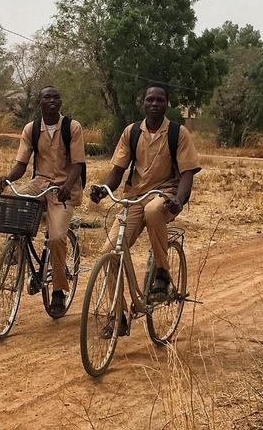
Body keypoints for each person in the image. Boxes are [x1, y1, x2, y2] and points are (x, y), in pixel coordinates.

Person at [90, 84, 201, 336]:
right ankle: (118, 317)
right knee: (109, 252)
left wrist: (179, 200)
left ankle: (162, 271)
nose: (154, 104)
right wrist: (102, 188)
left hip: (167, 194)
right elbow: (117, 171)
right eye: (150, 99)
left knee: (153, 211)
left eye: (159, 100)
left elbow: (187, 174)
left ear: (166, 104)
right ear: (143, 103)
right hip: (134, 196)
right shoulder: (131, 132)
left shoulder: (177, 133)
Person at [0, 86, 86, 316]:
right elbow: (21, 165)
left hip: (64, 188)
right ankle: (17, 247)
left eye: (56, 97)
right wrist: (8, 177)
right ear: (40, 102)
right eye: (47, 97)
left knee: (56, 238)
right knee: (14, 197)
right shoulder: (32, 129)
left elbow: (78, 164)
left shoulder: (72, 128)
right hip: (40, 182)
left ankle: (58, 291)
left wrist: (66, 186)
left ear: (61, 102)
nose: (52, 100)